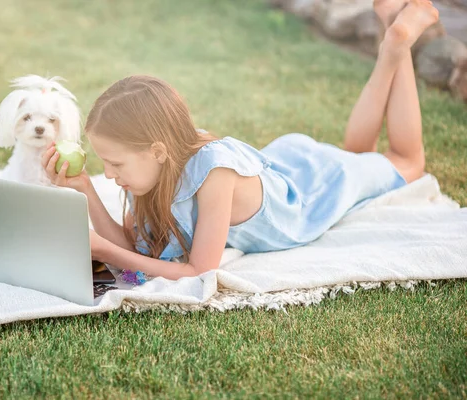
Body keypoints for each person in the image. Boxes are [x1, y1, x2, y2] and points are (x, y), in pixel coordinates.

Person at [41, 0, 439, 281]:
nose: (109, 175)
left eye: (115, 164)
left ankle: (395, 45)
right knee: (357, 153)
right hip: (286, 164)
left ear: (156, 151)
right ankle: (391, 28)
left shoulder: (214, 176)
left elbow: (200, 271)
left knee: (406, 159)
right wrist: (85, 190)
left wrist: (106, 252)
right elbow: (135, 246)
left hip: (308, 192)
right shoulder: (156, 164)